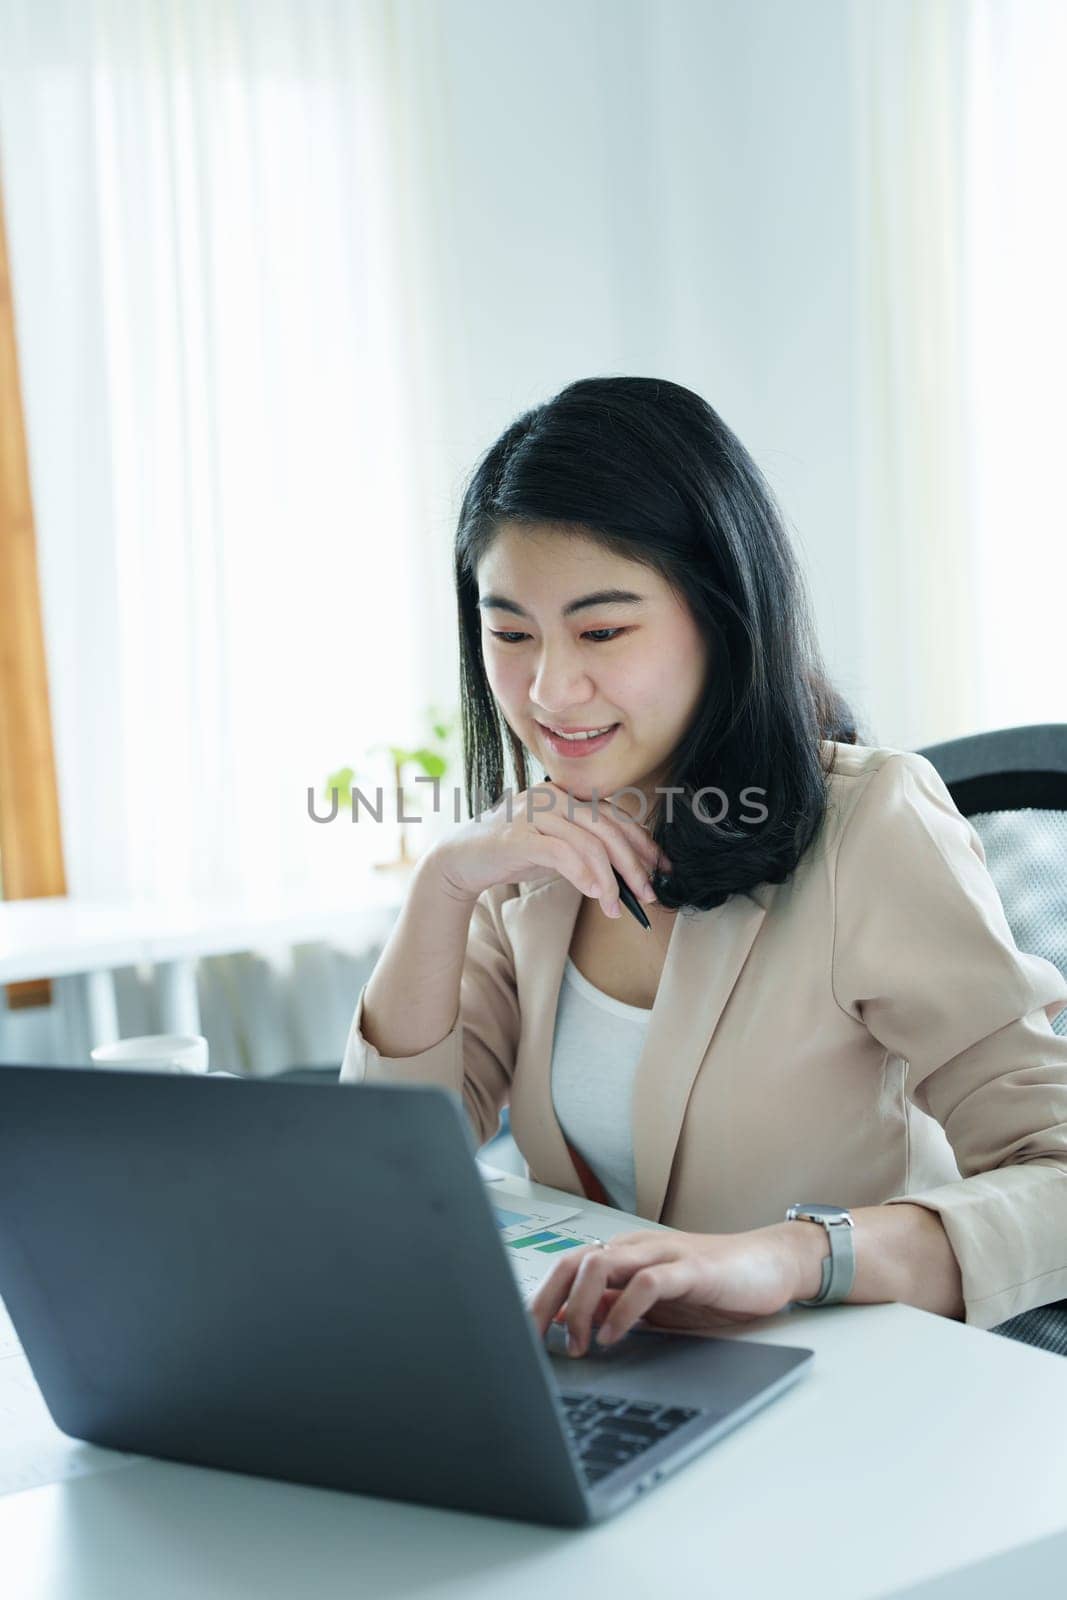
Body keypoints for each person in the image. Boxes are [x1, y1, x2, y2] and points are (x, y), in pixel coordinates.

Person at [340, 375, 1067, 1355]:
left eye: (601, 630)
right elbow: (386, 1174)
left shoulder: (868, 825)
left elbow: (1053, 1175)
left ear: (718, 617)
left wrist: (787, 1256)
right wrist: (442, 884)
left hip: (855, 1377)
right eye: (509, 632)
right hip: (612, 1369)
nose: (549, 687)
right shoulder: (529, 853)